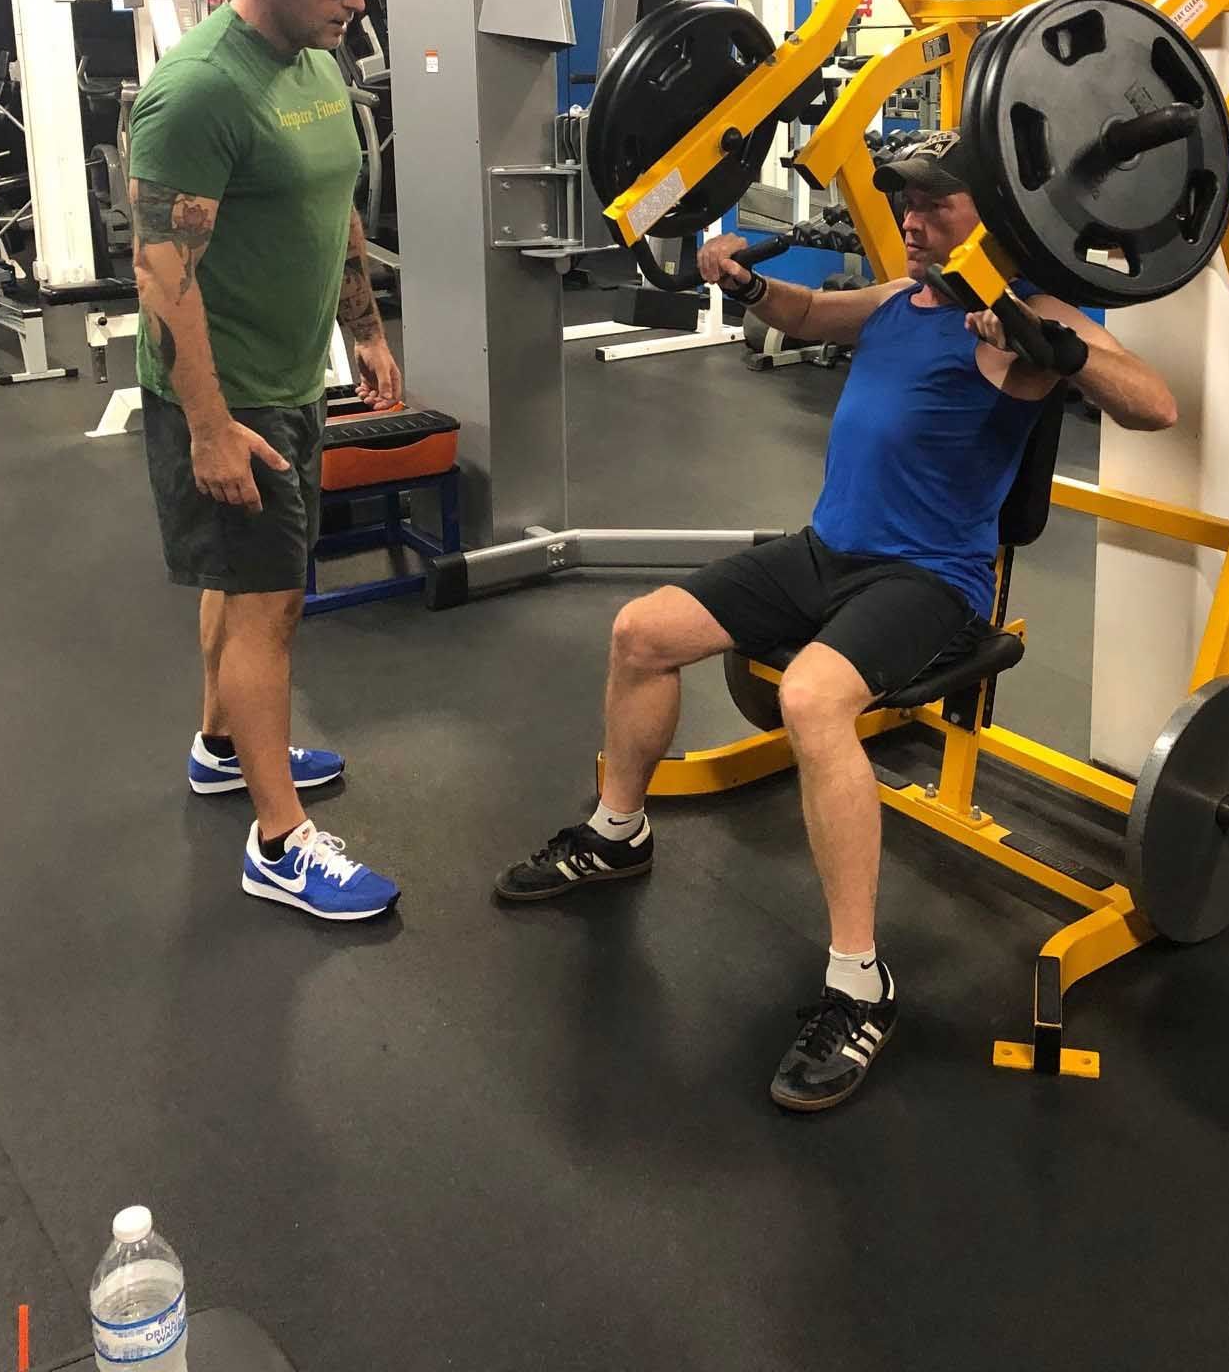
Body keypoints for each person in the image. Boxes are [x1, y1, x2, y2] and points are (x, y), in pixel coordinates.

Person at [494, 131, 1178, 1109]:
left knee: (815, 698)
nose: (910, 217)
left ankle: (860, 984)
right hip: (825, 551)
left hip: (929, 580)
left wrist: (1062, 353)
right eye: (906, 201)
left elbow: (1154, 404)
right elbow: (813, 309)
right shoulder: (904, 300)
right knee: (641, 631)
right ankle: (618, 832)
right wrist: (741, 282)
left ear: (994, 214)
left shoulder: (1032, 313)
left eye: (935, 204)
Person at [129, 0, 404, 923]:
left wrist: (364, 327)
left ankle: (217, 747)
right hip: (227, 397)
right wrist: (207, 426)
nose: (358, 3)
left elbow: (332, 200)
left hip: (295, 378)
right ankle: (280, 840)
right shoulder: (201, 90)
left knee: (243, 584)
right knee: (270, 603)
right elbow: (164, 272)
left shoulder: (315, 59)